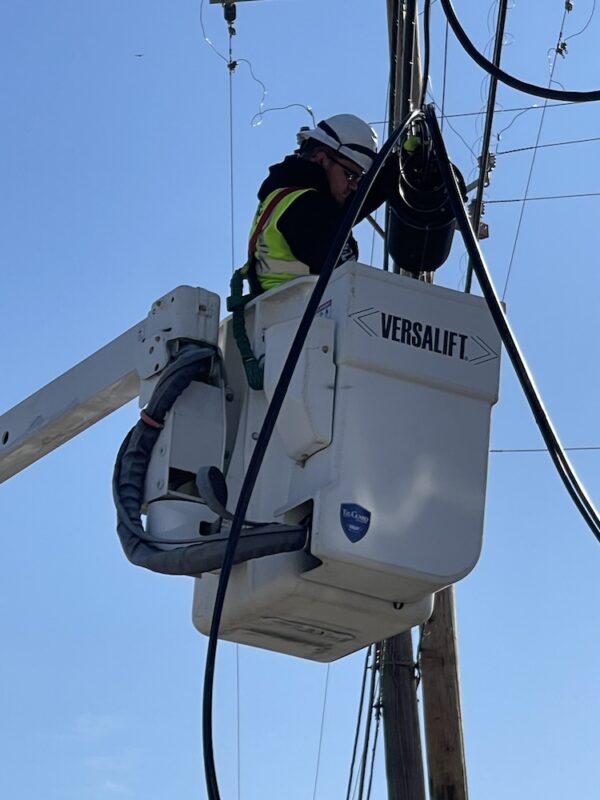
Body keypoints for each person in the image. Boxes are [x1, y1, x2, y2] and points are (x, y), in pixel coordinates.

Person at [245, 114, 399, 293]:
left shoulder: (288, 197)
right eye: (350, 176)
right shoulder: (307, 208)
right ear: (319, 159)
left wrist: (393, 170)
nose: (354, 186)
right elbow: (344, 272)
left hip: (282, 311)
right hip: (301, 313)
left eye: (358, 178)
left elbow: (351, 207)